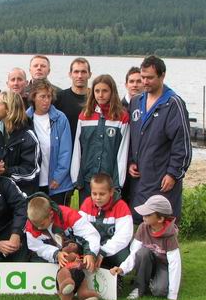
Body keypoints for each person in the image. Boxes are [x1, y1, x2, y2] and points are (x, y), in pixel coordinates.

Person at [128, 56, 192, 221]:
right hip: (140, 177)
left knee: (162, 222)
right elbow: (130, 137)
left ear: (162, 76)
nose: (145, 82)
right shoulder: (136, 102)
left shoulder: (173, 104)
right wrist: (130, 161)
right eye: (143, 77)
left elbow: (182, 144)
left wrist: (173, 174)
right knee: (139, 220)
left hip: (162, 177)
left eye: (150, 78)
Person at [24, 194, 100, 300]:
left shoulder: (68, 214)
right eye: (35, 224)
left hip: (77, 253)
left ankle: (81, 291)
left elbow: (90, 234)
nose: (38, 227)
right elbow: (37, 247)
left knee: (82, 262)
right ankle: (67, 290)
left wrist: (90, 253)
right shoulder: (31, 225)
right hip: (55, 257)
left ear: (51, 214)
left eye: (42, 224)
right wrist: (56, 254)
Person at [110, 194, 182, 300]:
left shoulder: (170, 236)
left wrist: (172, 295)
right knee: (142, 252)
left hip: (163, 265)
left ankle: (152, 281)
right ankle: (139, 287)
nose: (143, 217)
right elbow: (134, 253)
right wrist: (122, 269)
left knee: (159, 291)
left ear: (160, 219)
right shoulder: (142, 227)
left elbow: (174, 264)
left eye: (148, 215)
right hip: (147, 261)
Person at [71, 73, 130, 201]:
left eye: (105, 91)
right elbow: (77, 149)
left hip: (109, 181)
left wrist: (118, 183)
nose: (100, 95)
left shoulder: (121, 117)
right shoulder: (85, 115)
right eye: (97, 91)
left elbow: (122, 153)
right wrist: (76, 177)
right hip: (88, 180)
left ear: (112, 92)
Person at [0, 90, 40, 196]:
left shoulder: (29, 137)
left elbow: (31, 171)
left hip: (20, 195)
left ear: (8, 109)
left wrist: (7, 171)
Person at [26, 79, 74, 205]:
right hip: (34, 182)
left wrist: (58, 177)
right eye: (42, 96)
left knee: (57, 215)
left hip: (56, 183)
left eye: (49, 96)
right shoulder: (25, 119)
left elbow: (66, 151)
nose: (46, 100)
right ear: (33, 97)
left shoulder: (60, 118)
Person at [79, 173, 133, 270]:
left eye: (102, 194)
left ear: (111, 192)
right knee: (74, 249)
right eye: (94, 194)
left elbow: (123, 237)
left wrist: (103, 252)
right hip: (91, 247)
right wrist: (90, 252)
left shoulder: (121, 207)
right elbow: (80, 230)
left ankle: (116, 274)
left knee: (123, 257)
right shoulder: (87, 203)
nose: (97, 197)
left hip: (110, 249)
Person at [56, 57, 91, 142]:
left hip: (88, 146)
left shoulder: (96, 98)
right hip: (67, 145)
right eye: (76, 72)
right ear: (70, 74)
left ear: (89, 74)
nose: (80, 76)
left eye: (83, 72)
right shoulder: (59, 98)